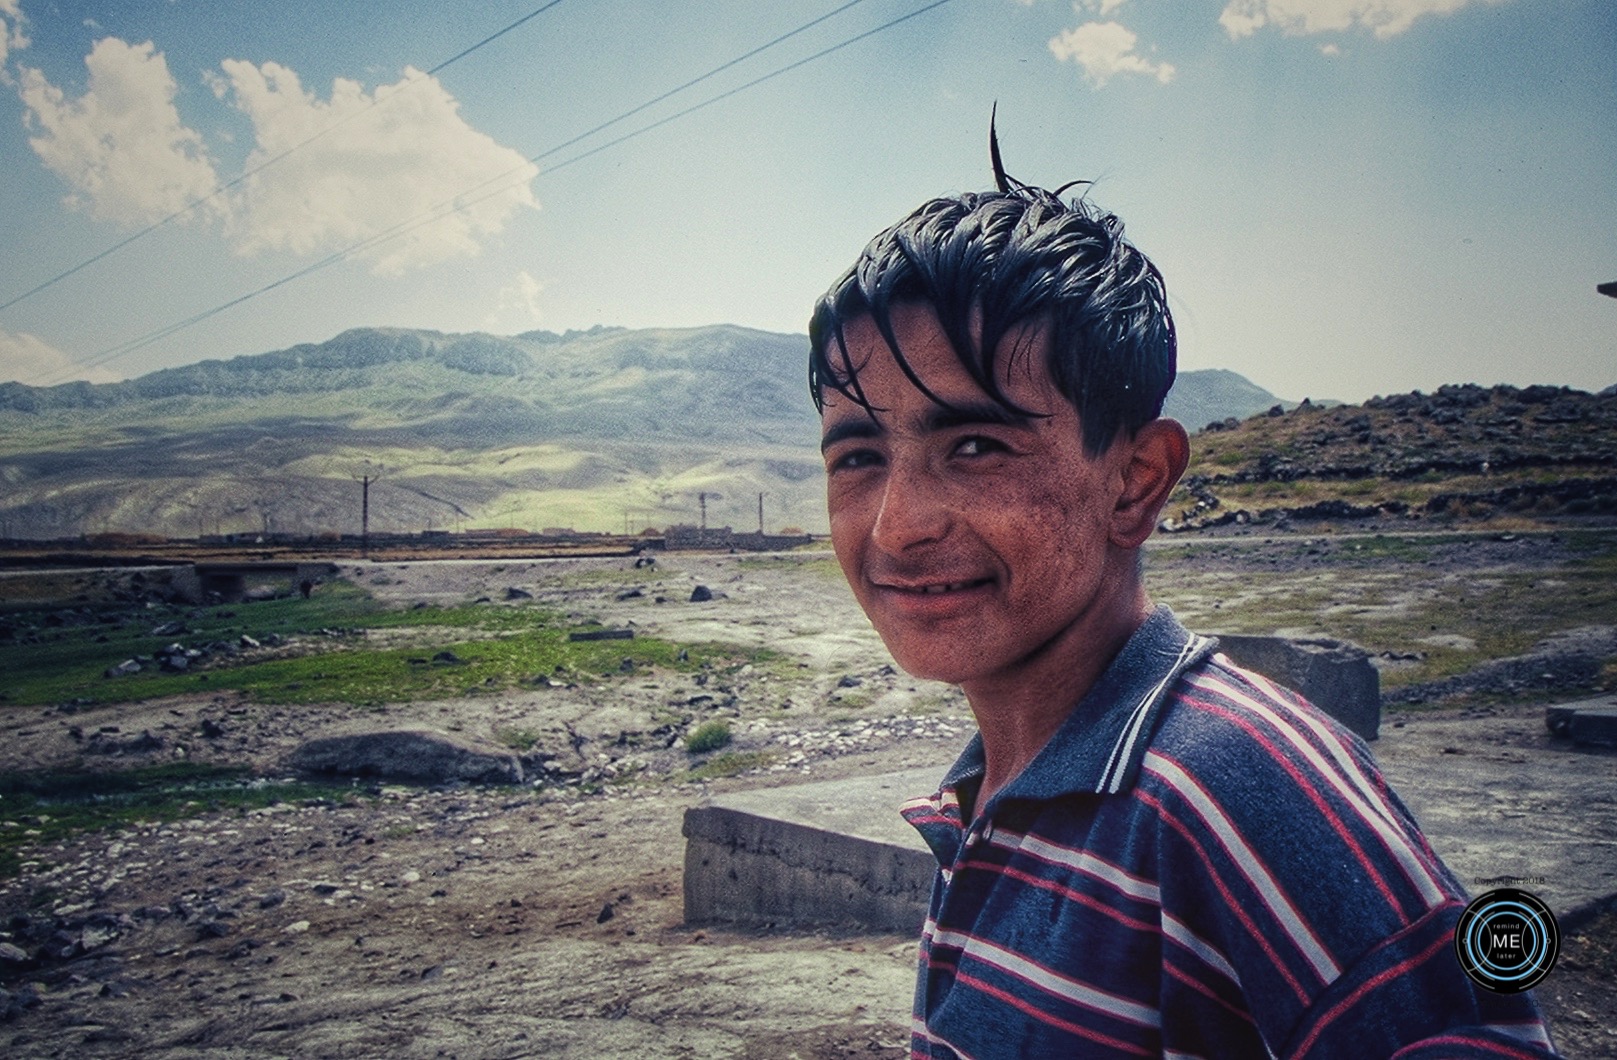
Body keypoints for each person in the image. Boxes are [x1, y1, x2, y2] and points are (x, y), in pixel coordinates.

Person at [807, 153, 1558, 1057]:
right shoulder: (997, 782)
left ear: (1135, 481)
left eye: (973, 445)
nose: (895, 527)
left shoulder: (1231, 789)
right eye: (857, 457)